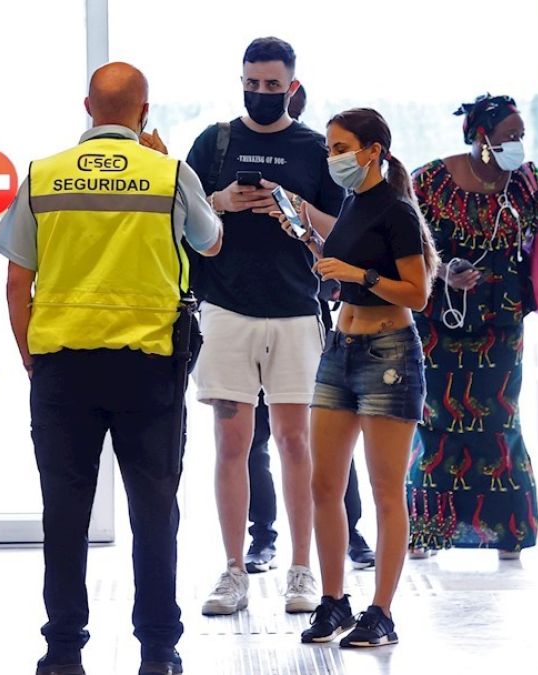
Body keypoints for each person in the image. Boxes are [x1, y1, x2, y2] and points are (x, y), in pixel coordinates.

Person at [0, 62, 222, 675]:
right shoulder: (169, 173)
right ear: (144, 113)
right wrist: (168, 164)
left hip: (63, 369)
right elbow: (211, 242)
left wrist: (30, 353)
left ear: (87, 107)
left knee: (64, 513)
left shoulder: (43, 175)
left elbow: (16, 279)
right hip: (150, 370)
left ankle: (63, 650)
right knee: (154, 510)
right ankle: (158, 650)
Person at [187, 36, 344, 616]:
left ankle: (302, 568)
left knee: (296, 442)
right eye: (251, 84)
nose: (260, 93)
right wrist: (221, 200)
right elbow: (181, 214)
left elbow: (342, 231)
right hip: (225, 308)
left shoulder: (316, 148)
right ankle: (234, 570)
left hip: (298, 309)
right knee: (231, 442)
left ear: (291, 87)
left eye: (272, 85)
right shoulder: (215, 142)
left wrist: (293, 205)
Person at [279, 108, 436, 648]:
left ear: (374, 152)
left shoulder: (398, 210)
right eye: (330, 148)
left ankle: (382, 612)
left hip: (388, 353)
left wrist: (358, 274)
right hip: (340, 349)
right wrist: (315, 248)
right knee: (324, 483)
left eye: (342, 148)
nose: (333, 158)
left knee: (385, 489)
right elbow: (347, 266)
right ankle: (333, 601)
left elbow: (417, 292)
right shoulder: (351, 203)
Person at [406, 94, 538, 560]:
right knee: (435, 422)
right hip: (439, 325)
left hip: (500, 327)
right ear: (482, 137)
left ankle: (508, 533)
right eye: (510, 136)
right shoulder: (429, 182)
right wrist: (443, 271)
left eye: (522, 135)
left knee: (499, 420)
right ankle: (428, 533)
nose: (519, 143)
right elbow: (402, 239)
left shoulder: (526, 185)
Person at [245, 82, 374, 574]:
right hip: (248, 310)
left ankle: (350, 529)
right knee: (256, 435)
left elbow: (343, 229)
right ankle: (263, 536)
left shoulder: (320, 159)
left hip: (308, 310)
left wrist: (295, 206)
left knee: (326, 432)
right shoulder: (229, 146)